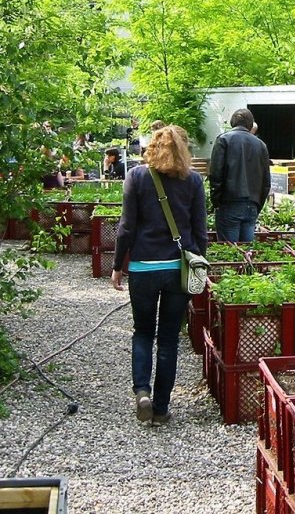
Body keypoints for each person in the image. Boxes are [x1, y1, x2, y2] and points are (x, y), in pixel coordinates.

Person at [111, 126, 208, 425]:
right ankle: (162, 407)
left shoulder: (136, 177)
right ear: (184, 149)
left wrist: (117, 265)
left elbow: (126, 227)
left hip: (143, 267)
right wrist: (199, 264)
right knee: (168, 339)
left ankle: (142, 391)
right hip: (177, 269)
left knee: (142, 332)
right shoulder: (193, 180)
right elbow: (200, 230)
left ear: (151, 147)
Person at [209, 109, 271, 242]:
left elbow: (216, 174)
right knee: (246, 250)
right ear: (250, 124)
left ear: (232, 122)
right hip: (252, 204)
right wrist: (258, 204)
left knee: (229, 250)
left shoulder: (224, 140)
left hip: (229, 202)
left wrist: (216, 201)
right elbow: (266, 181)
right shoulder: (261, 145)